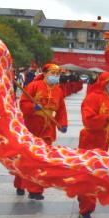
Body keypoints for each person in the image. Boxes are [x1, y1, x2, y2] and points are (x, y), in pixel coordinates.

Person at [16, 63, 68, 199]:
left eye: (57, 74)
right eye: (53, 73)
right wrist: (33, 107)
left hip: (48, 128)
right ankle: (20, 183)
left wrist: (62, 124)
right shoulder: (33, 86)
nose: (55, 76)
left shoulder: (59, 91)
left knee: (42, 159)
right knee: (27, 157)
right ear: (45, 74)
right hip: (32, 126)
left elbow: (61, 109)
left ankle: (36, 190)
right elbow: (23, 103)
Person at [77, 72, 109, 218]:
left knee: (100, 175)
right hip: (92, 139)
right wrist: (106, 118)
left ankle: (85, 200)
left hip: (108, 139)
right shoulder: (92, 97)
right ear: (103, 82)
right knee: (89, 176)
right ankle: (85, 211)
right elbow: (88, 120)